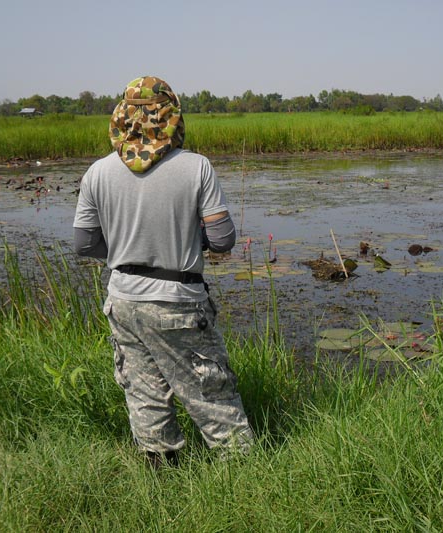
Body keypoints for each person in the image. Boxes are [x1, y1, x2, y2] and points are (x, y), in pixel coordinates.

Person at [73, 76, 253, 469]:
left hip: (122, 300)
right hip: (179, 302)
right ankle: (244, 475)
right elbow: (222, 239)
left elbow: (84, 244)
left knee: (145, 394)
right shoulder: (196, 168)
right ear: (171, 117)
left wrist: (124, 252)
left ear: (122, 116)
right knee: (211, 395)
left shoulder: (97, 173)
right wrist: (189, 242)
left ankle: (162, 480)